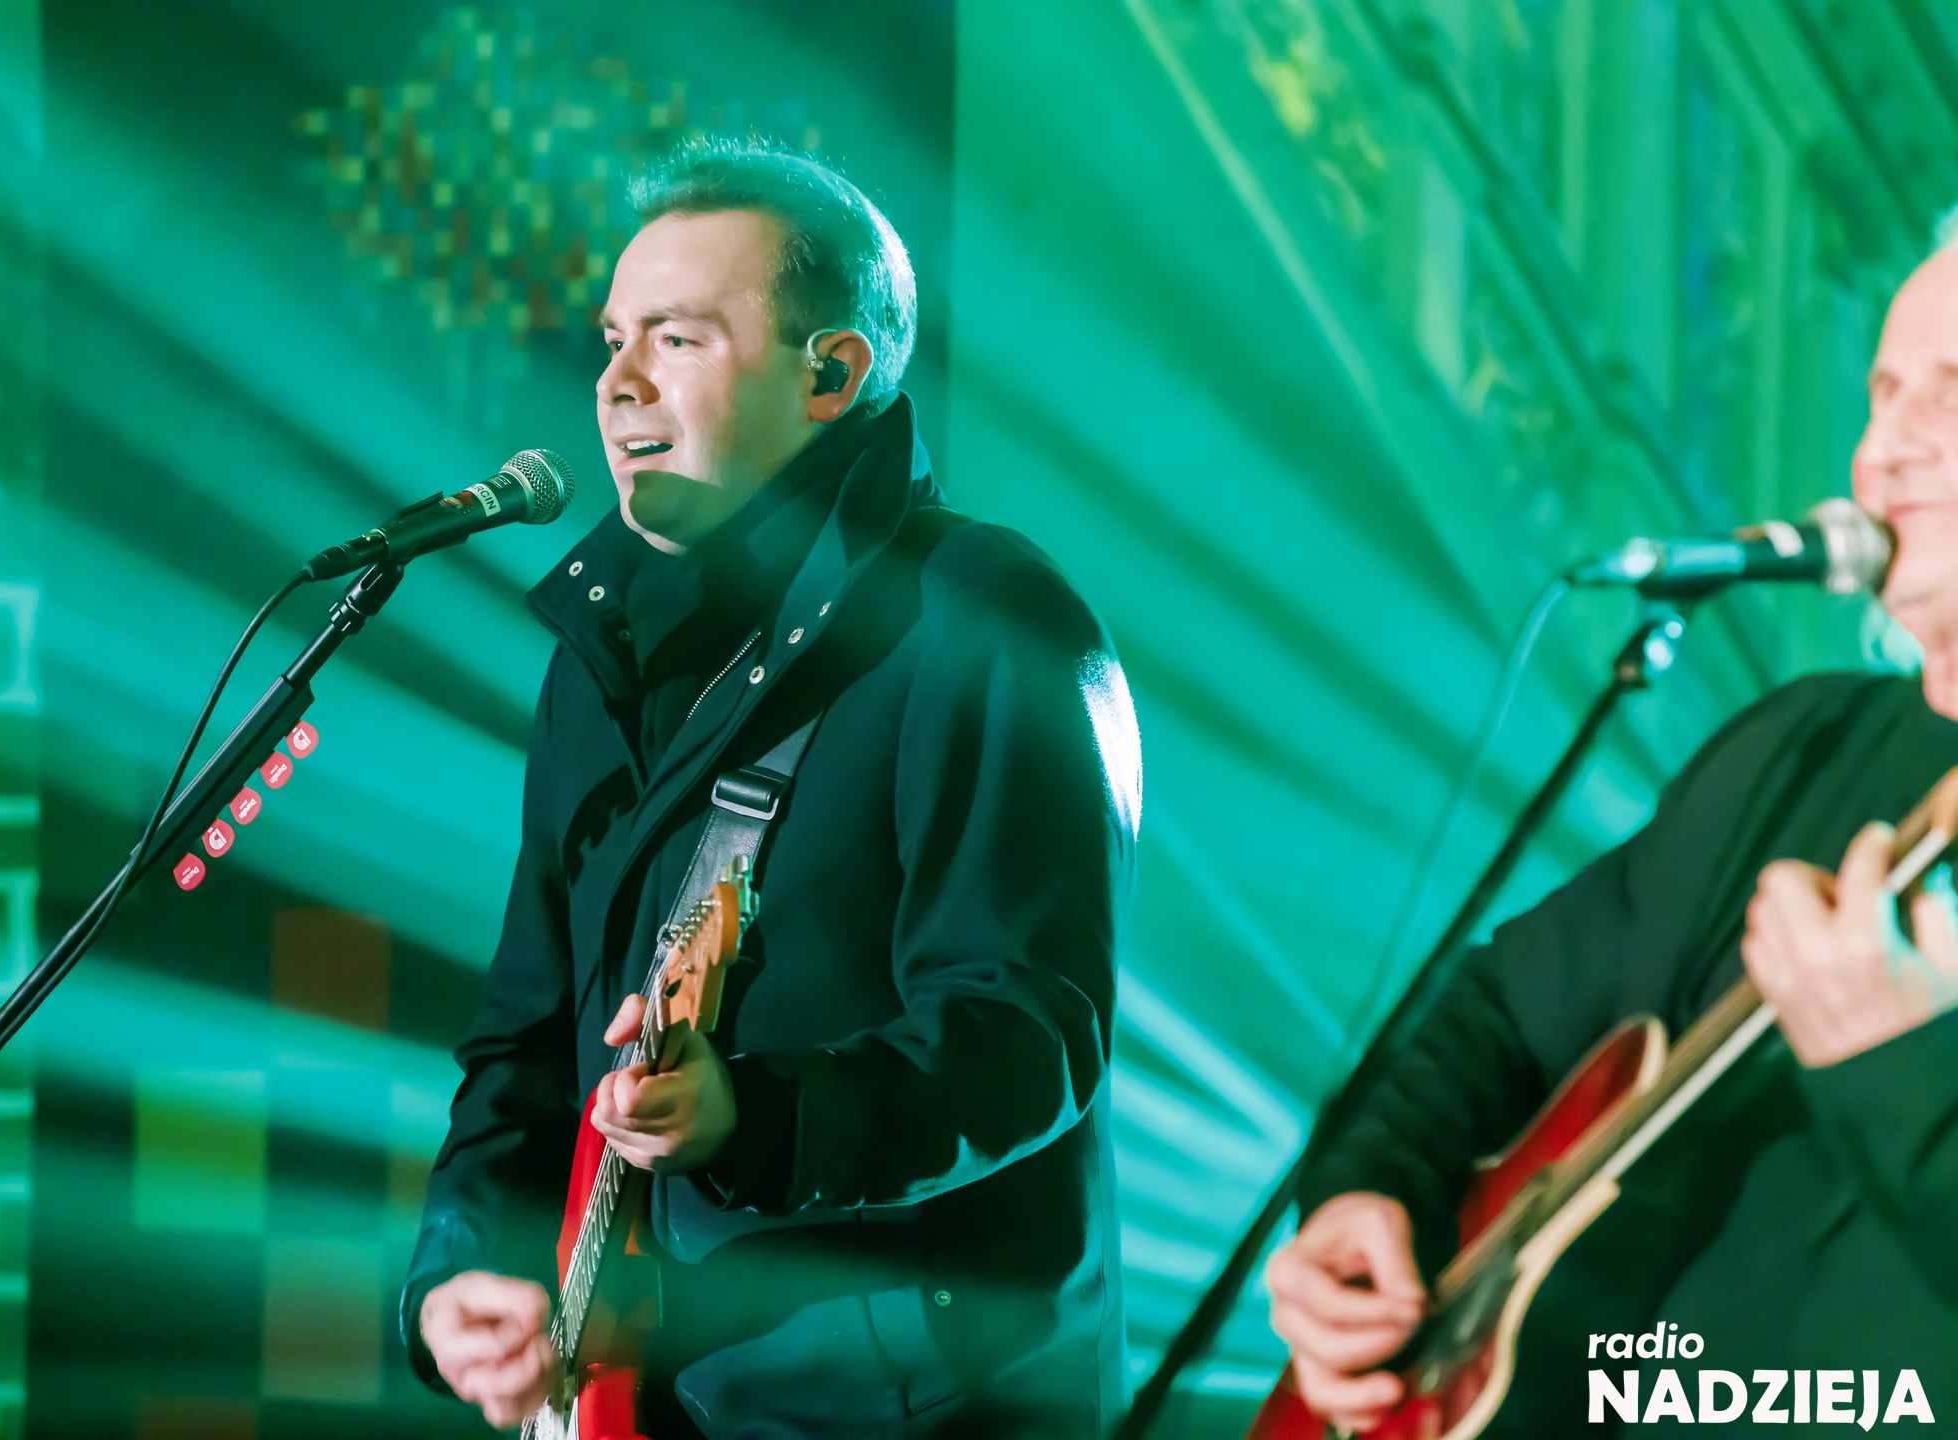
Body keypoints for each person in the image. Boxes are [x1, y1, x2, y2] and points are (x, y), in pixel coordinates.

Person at [399, 138, 1140, 1439]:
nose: (617, 382)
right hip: (656, 1397)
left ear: (829, 375)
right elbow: (523, 1037)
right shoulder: (601, 656)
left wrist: (756, 1115)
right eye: (613, 340)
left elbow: (1029, 1036)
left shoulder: (984, 620)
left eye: (677, 339)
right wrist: (458, 1270)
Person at [1266, 235, 1958, 1434]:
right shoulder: (1797, 743)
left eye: (1947, 398)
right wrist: (1365, 1191)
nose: (1880, 452)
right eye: (1880, 394)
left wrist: (1902, 1070)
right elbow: (1498, 1013)